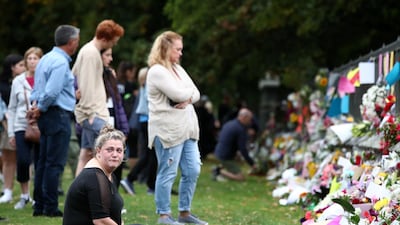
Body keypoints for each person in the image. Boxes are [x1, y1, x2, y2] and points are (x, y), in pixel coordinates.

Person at [147, 31, 208, 225]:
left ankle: (184, 212)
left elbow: (196, 93)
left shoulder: (178, 69)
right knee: (168, 172)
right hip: (167, 131)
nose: (181, 53)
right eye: (178, 49)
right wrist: (188, 96)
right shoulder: (157, 71)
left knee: (193, 170)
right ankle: (164, 215)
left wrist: (187, 97)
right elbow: (177, 94)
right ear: (166, 48)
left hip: (187, 130)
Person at [29, 24, 80, 217]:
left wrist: (35, 106)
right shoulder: (60, 62)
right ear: (72, 42)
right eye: (77, 41)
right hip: (56, 114)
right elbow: (51, 91)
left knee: (43, 161)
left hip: (46, 114)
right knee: (54, 163)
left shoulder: (45, 60)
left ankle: (39, 205)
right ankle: (50, 207)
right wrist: (40, 108)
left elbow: (38, 89)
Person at [73, 19, 124, 177]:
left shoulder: (89, 51)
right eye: (113, 42)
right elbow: (86, 84)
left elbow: (73, 74)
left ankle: (80, 194)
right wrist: (90, 114)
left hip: (93, 112)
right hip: (93, 114)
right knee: (105, 157)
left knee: (87, 154)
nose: (113, 45)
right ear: (105, 39)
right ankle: (101, 194)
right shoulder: (91, 53)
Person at [63, 125, 126, 225]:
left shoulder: (108, 174)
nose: (115, 154)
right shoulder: (95, 177)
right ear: (98, 151)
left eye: (119, 150)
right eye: (109, 150)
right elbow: (100, 220)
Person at [7, 47, 43, 209]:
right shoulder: (18, 81)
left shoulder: (45, 79)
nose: (32, 61)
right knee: (23, 160)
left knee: (40, 162)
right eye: (29, 58)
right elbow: (12, 108)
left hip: (41, 126)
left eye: (35, 58)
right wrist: (11, 132)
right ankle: (24, 195)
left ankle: (37, 196)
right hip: (21, 125)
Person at [121, 67, 157, 195]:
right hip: (148, 121)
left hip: (144, 121)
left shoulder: (143, 86)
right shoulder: (148, 86)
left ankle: (147, 184)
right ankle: (133, 179)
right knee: (151, 155)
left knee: (150, 155)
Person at [101, 48, 129, 187]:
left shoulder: (112, 79)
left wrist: (124, 130)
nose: (110, 59)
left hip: (114, 126)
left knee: (117, 162)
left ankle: (114, 195)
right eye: (107, 55)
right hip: (100, 127)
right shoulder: (91, 78)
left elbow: (119, 108)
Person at [0, 53, 25, 204]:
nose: (23, 68)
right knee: (9, 158)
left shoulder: (24, 82)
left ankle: (26, 193)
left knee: (24, 159)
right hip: (7, 124)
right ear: (12, 67)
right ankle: (7, 190)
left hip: (22, 124)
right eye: (20, 65)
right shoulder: (3, 86)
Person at [213, 108, 257, 181]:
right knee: (241, 178)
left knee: (236, 162)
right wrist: (252, 164)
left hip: (219, 152)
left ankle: (220, 168)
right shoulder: (240, 129)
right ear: (244, 117)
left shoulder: (230, 123)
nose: (250, 121)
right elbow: (243, 149)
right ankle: (219, 171)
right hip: (226, 156)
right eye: (249, 119)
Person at [116, 61, 139, 169]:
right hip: (129, 116)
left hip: (117, 115)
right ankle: (131, 170)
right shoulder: (130, 85)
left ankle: (119, 162)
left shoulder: (115, 82)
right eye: (133, 72)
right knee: (131, 143)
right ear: (128, 72)